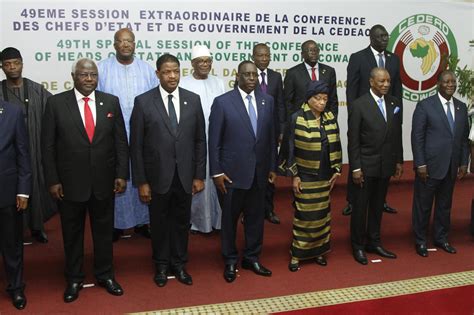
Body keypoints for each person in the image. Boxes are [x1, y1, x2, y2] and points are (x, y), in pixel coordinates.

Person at [42, 58, 129, 302]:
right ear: (74, 77)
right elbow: (47, 147)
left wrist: (122, 174)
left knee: (103, 232)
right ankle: (74, 278)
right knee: (72, 234)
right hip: (69, 184)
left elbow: (120, 142)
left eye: (93, 75)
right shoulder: (56, 104)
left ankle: (105, 274)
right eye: (84, 75)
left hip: (105, 182)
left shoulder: (110, 102)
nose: (89, 79)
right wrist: (53, 180)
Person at [130, 54, 206, 287]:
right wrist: (142, 181)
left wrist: (198, 175)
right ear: (158, 74)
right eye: (166, 72)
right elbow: (137, 145)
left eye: (176, 71)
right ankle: (161, 266)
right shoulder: (143, 102)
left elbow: (199, 140)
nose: (172, 76)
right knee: (160, 224)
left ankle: (180, 264)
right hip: (156, 178)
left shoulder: (193, 100)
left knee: (182, 222)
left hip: (185, 177)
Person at [209, 61, 277, 283]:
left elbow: (270, 138)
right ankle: (229, 260)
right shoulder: (222, 102)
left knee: (256, 218)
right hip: (231, 174)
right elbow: (214, 141)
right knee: (229, 220)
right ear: (237, 76)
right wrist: (216, 172)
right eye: (246, 74)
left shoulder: (268, 101)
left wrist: (272, 168)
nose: (251, 78)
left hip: (259, 173)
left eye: (254, 75)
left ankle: (251, 257)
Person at [98, 28, 159, 241]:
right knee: (116, 176)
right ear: (114, 45)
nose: (125, 45)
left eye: (129, 41)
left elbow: (155, 100)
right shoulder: (102, 68)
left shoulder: (147, 69)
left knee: (142, 175)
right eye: (121, 41)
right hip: (111, 135)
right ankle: (115, 225)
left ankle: (143, 222)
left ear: (135, 44)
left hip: (143, 134)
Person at [279, 80, 342, 272]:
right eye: (318, 98)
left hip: (324, 173)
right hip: (305, 174)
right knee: (305, 216)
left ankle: (319, 252)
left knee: (322, 216)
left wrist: (337, 170)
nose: (322, 103)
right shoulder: (297, 117)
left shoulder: (330, 117)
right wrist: (294, 175)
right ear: (309, 99)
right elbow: (289, 149)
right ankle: (297, 254)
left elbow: (336, 144)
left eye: (325, 99)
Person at [343, 24, 402, 216]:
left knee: (383, 160)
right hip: (363, 119)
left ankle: (380, 200)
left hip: (387, 117)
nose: (385, 39)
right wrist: (354, 116)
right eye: (381, 36)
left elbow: (397, 90)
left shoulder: (394, 59)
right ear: (371, 38)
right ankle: (353, 200)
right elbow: (351, 89)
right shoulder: (358, 58)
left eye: (386, 36)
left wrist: (396, 117)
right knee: (359, 159)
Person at [411, 70, 470, 257]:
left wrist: (463, 163)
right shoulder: (425, 105)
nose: (451, 84)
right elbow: (417, 137)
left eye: (453, 81)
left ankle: (441, 238)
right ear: (438, 84)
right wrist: (420, 163)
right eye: (446, 82)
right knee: (423, 205)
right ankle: (420, 240)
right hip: (429, 166)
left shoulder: (461, 107)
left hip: (452, 166)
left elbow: (463, 140)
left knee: (445, 205)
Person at [348, 67, 403, 265]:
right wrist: (355, 168)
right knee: (360, 208)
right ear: (371, 82)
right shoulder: (359, 105)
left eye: (388, 81)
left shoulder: (395, 102)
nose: (386, 84)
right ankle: (358, 246)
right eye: (382, 81)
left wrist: (399, 160)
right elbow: (353, 139)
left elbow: (397, 134)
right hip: (365, 165)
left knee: (378, 207)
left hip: (386, 164)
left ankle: (374, 242)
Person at [0, 47, 55, 243]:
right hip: (9, 154)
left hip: (35, 149)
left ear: (22, 63)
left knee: (37, 188)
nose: (12, 67)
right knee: (13, 191)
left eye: (16, 63)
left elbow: (53, 113)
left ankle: (37, 228)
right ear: (2, 67)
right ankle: (17, 230)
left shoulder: (37, 90)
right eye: (7, 64)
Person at [180, 45, 225, 233]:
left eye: (208, 61)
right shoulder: (183, 83)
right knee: (197, 180)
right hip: (193, 140)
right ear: (193, 64)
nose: (205, 65)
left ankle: (217, 221)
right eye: (201, 61)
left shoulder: (219, 82)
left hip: (216, 140)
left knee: (215, 180)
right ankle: (197, 222)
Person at [0, 100, 31, 310]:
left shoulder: (13, 111)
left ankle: (16, 287)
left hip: (7, 190)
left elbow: (23, 152)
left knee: (11, 243)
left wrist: (23, 189)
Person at [252, 43, 286, 224]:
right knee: (252, 172)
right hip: (252, 132)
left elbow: (281, 104)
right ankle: (250, 212)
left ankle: (268, 210)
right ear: (253, 57)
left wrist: (281, 128)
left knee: (270, 171)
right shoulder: (246, 74)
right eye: (260, 56)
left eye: (267, 55)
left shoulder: (276, 76)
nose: (264, 59)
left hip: (271, 133)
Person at [284, 39, 338, 118]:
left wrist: (332, 119)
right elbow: (288, 102)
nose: (314, 53)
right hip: (301, 121)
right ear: (302, 54)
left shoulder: (329, 71)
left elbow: (333, 99)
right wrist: (293, 121)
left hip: (324, 121)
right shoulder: (292, 73)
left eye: (316, 50)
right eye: (310, 50)